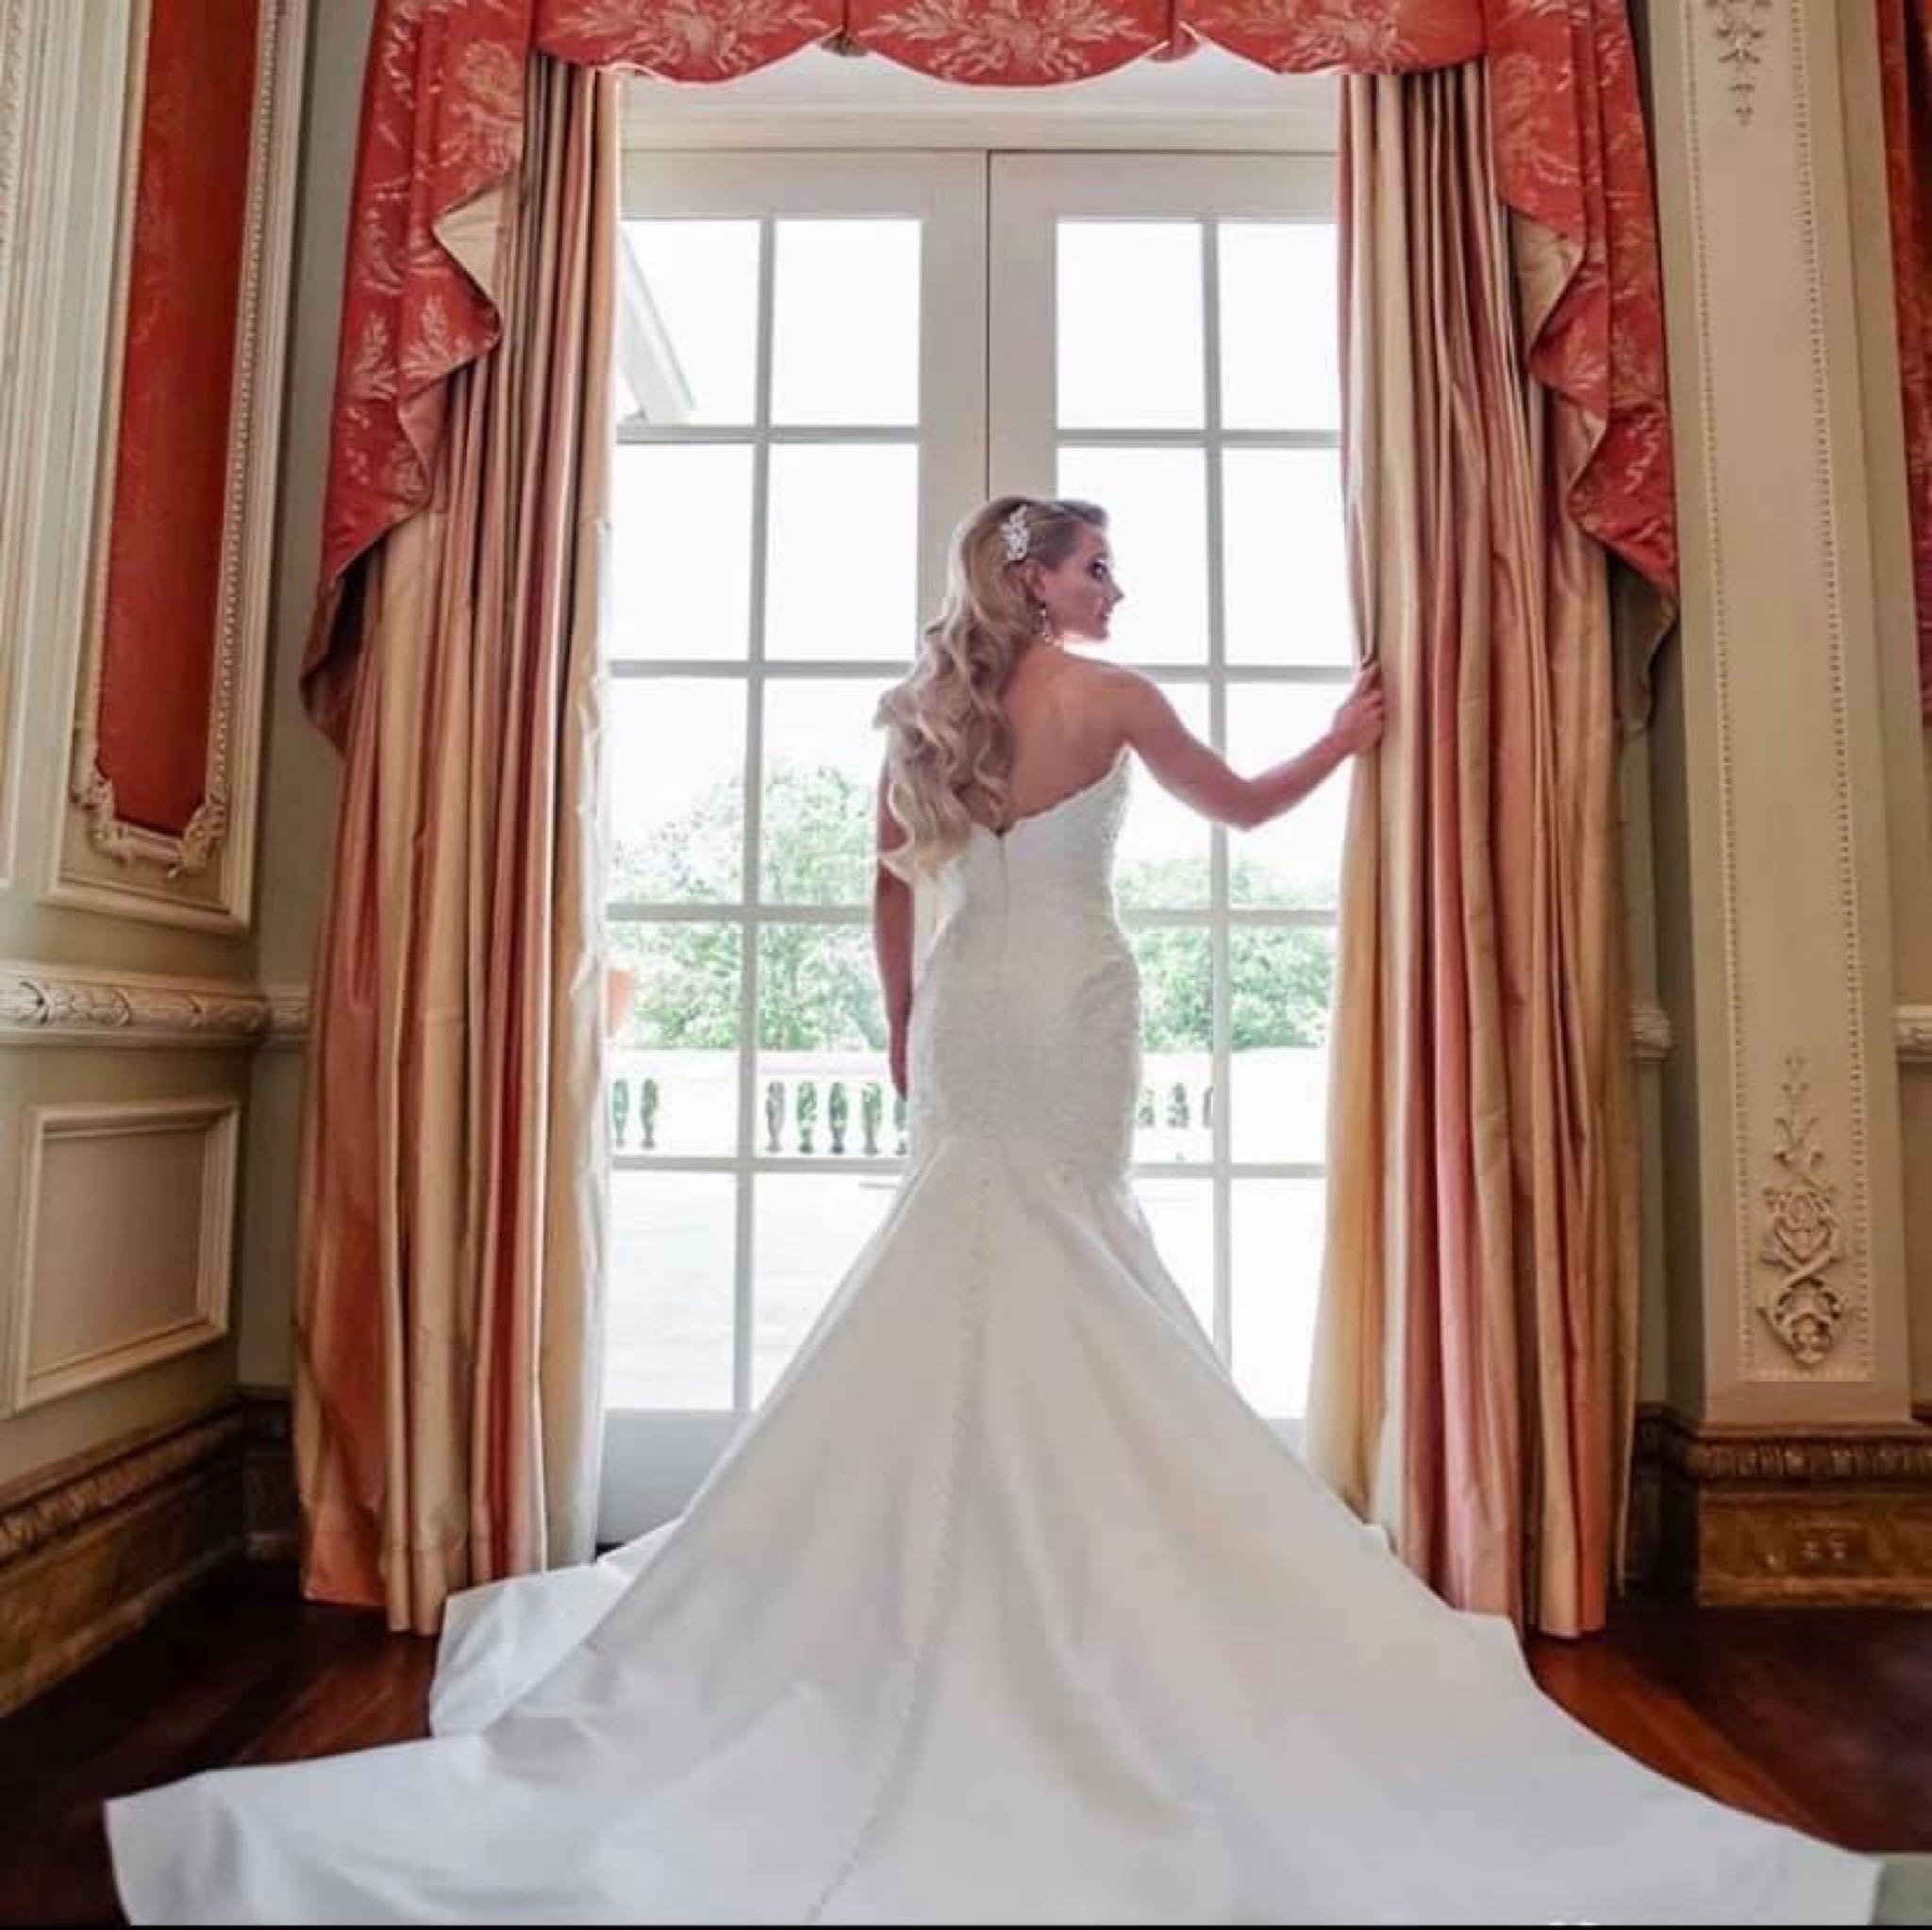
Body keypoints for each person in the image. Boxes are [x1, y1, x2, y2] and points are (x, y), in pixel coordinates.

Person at [103, 497, 1881, 1924]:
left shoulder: (923, 718)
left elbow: (889, 900)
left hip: (969, 1012)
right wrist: (1344, 738)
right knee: (1074, 1249)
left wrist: (901, 1024)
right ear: (1034, 577)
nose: (1117, 587)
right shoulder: (1116, 701)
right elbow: (1243, 806)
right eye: (1096, 564)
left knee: (974, 1245)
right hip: (1075, 1004)